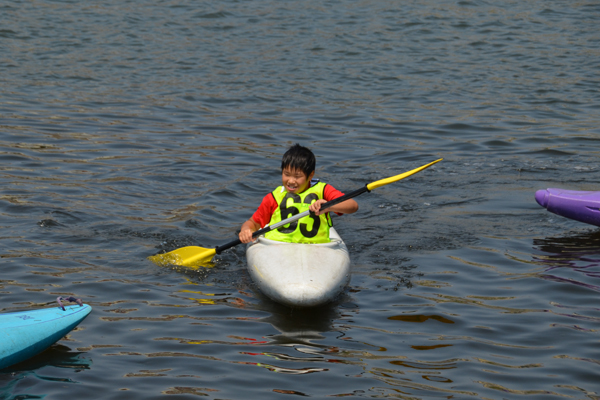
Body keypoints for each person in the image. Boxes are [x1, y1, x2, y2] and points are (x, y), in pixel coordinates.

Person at [239, 144, 358, 244]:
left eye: (297, 176)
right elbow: (253, 223)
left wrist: (329, 206)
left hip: (317, 247)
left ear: (310, 175)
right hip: (277, 246)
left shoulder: (323, 191)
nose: (291, 181)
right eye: (286, 174)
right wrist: (245, 230)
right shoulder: (274, 197)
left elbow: (353, 206)